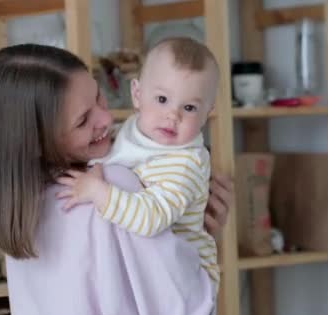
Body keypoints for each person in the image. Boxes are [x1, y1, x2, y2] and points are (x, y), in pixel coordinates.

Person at [0, 43, 233, 315]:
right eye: (83, 120)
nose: (106, 120)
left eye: (99, 97)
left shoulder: (17, 213)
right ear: (36, 142)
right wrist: (203, 239)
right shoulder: (111, 187)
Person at [56, 37, 220, 292]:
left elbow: (151, 218)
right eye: (162, 99)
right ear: (137, 95)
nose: (172, 115)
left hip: (185, 284)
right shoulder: (130, 132)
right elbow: (109, 160)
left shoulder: (184, 163)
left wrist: (98, 192)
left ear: (207, 114)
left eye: (189, 107)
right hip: (149, 270)